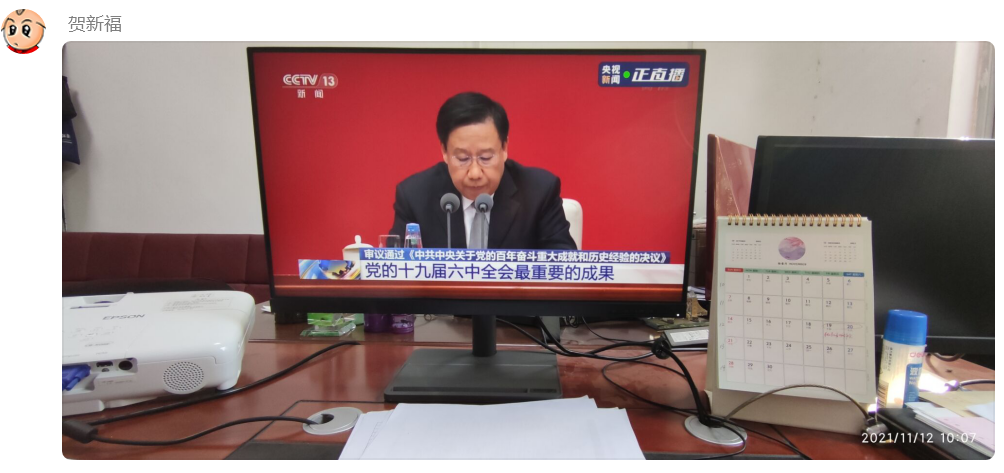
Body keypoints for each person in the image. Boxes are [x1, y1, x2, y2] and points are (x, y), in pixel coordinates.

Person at [389, 92, 576, 250]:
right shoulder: (415, 196)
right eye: (463, 159)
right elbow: (395, 270)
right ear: (444, 152)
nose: (475, 173)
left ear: (504, 148)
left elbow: (563, 267)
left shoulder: (538, 192)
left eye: (485, 158)